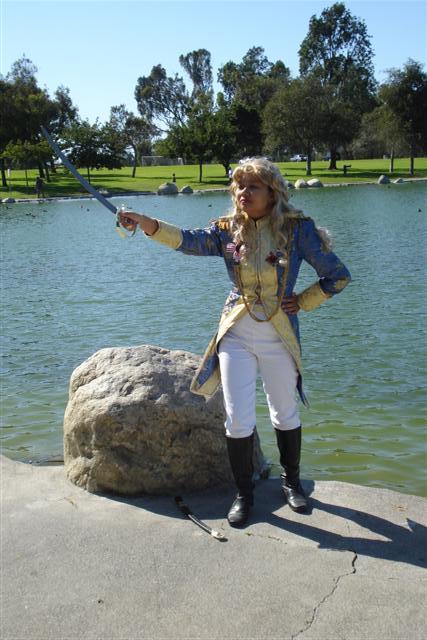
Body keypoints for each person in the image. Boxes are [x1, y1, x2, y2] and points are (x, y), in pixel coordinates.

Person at [119, 157, 351, 527]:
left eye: (253, 186)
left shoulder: (297, 229)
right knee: (237, 417)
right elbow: (188, 241)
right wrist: (146, 222)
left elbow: (337, 275)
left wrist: (304, 301)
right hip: (236, 334)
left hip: (279, 335)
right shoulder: (227, 230)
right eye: (240, 186)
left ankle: (291, 483)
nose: (244, 192)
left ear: (272, 193)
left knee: (284, 411)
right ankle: (244, 493)